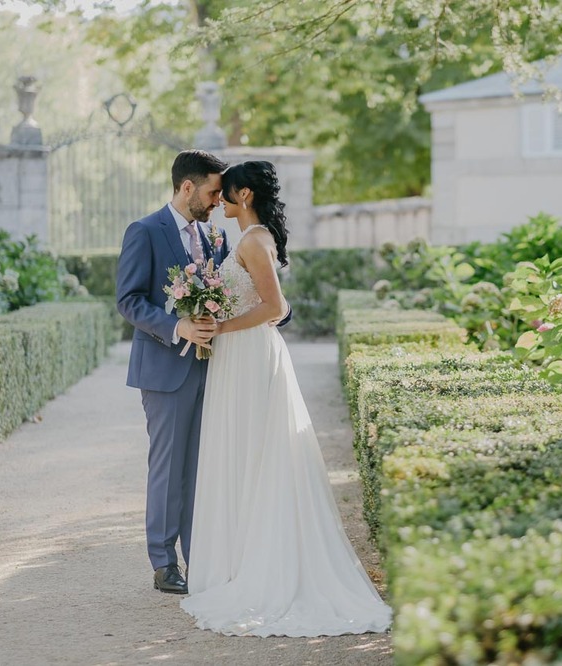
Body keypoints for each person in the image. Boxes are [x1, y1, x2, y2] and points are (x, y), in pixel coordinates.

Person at [180, 161, 392, 636]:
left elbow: (275, 308)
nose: (221, 201)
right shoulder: (248, 239)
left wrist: (220, 327)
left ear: (246, 196)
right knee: (244, 454)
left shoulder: (254, 241)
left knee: (256, 453)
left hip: (250, 354)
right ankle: (241, 560)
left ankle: (261, 569)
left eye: (226, 194)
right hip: (239, 355)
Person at [117, 150, 292, 595]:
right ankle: (163, 562)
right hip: (165, 367)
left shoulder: (216, 237)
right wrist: (178, 325)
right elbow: (129, 300)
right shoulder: (145, 231)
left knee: (204, 467)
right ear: (187, 187)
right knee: (169, 467)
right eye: (214, 192)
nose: (219, 200)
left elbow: (245, 288)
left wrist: (273, 314)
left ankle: (203, 558)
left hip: (216, 368)